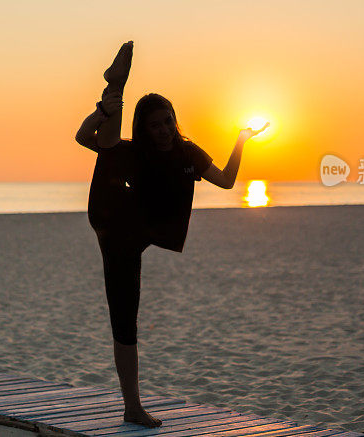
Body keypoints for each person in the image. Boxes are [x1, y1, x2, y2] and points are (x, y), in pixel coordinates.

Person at [75, 41, 267, 428]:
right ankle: (117, 90)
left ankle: (115, 87)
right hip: (115, 225)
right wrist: (102, 111)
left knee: (125, 320)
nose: (163, 130)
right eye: (155, 125)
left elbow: (228, 181)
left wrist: (242, 139)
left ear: (175, 120)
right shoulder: (136, 150)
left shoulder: (187, 152)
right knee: (124, 321)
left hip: (141, 228)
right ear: (144, 129)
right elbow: (84, 137)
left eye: (168, 121)